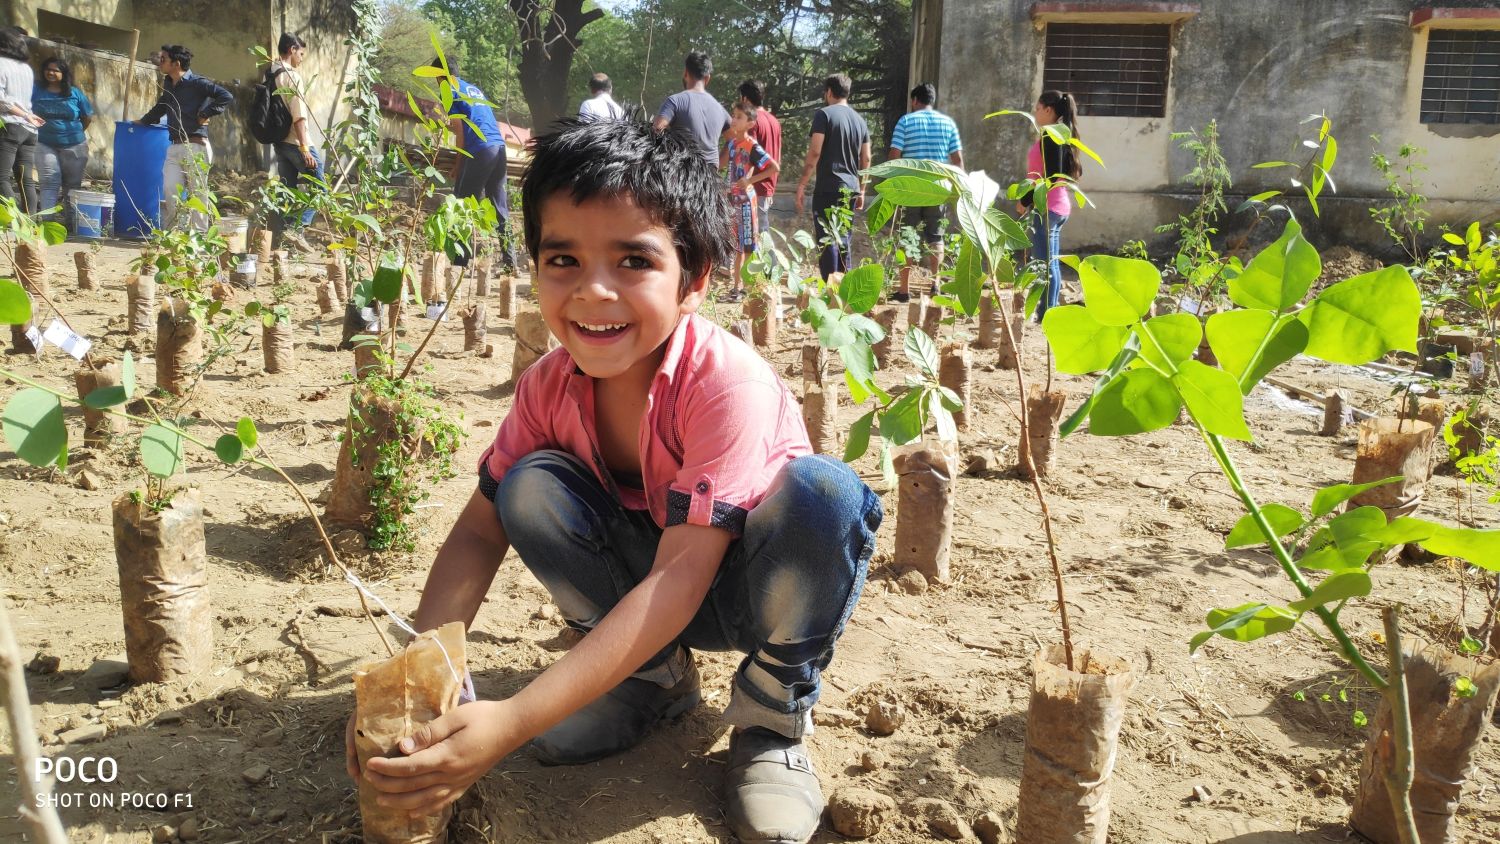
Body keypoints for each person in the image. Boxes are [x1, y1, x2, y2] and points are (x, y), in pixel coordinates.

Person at [345, 119, 881, 844]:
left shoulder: (727, 385)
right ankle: (650, 682)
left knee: (827, 494)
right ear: (532, 265)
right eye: (562, 258)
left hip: (747, 591)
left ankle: (770, 720)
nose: (593, 291)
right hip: (648, 596)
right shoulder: (547, 387)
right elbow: (478, 531)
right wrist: (420, 676)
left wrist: (512, 719)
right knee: (525, 486)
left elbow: (680, 579)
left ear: (694, 280)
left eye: (633, 261)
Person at [138, 45, 234, 232]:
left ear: (176, 63)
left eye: (164, 59)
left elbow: (226, 96)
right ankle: (175, 235)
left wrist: (206, 112)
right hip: (174, 146)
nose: (160, 62)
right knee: (170, 190)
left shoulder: (197, 83)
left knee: (198, 193)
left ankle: (199, 236)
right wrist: (142, 121)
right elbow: (162, 106)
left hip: (196, 146)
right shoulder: (168, 83)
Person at [437, 57, 514, 270]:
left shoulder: (449, 89)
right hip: (498, 148)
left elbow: (460, 130)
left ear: (440, 75)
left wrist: (458, 163)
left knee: (461, 204)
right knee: (500, 207)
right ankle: (510, 262)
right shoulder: (473, 89)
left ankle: (460, 263)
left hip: (480, 149)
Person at [888, 83, 963, 303]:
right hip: (938, 189)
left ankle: (904, 290)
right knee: (936, 236)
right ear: (932, 100)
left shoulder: (906, 121)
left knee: (908, 236)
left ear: (914, 101)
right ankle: (935, 284)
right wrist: (959, 186)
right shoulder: (948, 123)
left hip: (911, 188)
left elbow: (895, 154)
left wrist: (892, 183)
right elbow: (957, 160)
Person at [794, 73, 870, 279]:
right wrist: (862, 189)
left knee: (827, 237)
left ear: (829, 92)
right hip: (851, 187)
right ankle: (845, 289)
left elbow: (815, 152)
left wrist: (802, 184)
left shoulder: (824, 115)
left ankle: (830, 289)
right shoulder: (860, 121)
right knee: (844, 236)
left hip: (828, 186)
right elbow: (867, 159)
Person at [1017, 90, 1080, 320]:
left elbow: (1050, 178)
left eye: (1037, 108)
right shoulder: (1057, 135)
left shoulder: (1051, 137)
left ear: (1048, 110)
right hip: (1055, 206)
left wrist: (1026, 201)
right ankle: (1047, 311)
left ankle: (1047, 313)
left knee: (1044, 263)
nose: (1035, 113)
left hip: (1049, 207)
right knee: (1046, 262)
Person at [267, 33, 323, 252]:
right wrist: (304, 148)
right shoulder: (292, 76)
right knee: (321, 189)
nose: (301, 58)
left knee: (286, 190)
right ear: (291, 49)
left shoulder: (270, 73)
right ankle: (296, 230)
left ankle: (280, 242)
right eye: (300, 53)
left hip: (279, 143)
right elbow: (299, 116)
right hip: (295, 142)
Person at [720, 102, 779, 301]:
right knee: (737, 247)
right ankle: (737, 288)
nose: (734, 119)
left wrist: (750, 180)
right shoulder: (731, 144)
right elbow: (724, 166)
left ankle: (746, 288)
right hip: (733, 201)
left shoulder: (752, 145)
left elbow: (774, 167)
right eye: (733, 115)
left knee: (746, 247)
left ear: (750, 123)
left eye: (739, 117)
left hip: (746, 202)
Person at [32, 57, 93, 228]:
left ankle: (72, 224)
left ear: (63, 74)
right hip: (44, 143)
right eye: (48, 69)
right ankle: (48, 224)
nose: (51, 73)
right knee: (49, 182)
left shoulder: (74, 93)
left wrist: (76, 133)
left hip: (75, 144)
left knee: (72, 186)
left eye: (56, 70)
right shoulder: (36, 90)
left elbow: (87, 117)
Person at [652, 51, 729, 168]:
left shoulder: (675, 101)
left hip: (682, 178)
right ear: (707, 78)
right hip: (711, 182)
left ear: (686, 73)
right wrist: (717, 166)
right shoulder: (721, 110)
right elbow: (735, 139)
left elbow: (656, 130)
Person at [0, 27, 42, 213]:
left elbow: (2, 101)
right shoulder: (26, 68)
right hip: (30, 130)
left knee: (1, 178)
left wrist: (22, 114)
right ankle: (30, 223)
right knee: (25, 180)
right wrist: (26, 115)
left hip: (10, 126)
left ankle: (16, 218)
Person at [738, 79, 781, 236]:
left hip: (755, 186)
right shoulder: (774, 120)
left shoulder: (753, 122)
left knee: (759, 235)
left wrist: (744, 183)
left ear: (745, 99)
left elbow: (748, 156)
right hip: (768, 184)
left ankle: (772, 262)